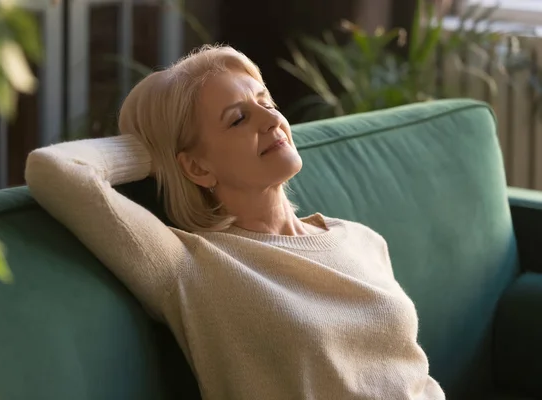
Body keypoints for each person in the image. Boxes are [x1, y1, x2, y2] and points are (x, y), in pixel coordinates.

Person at [25, 44, 445, 400]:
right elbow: (55, 169)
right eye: (238, 118)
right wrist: (153, 152)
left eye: (265, 101)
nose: (272, 120)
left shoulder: (361, 239)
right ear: (196, 167)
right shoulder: (189, 266)